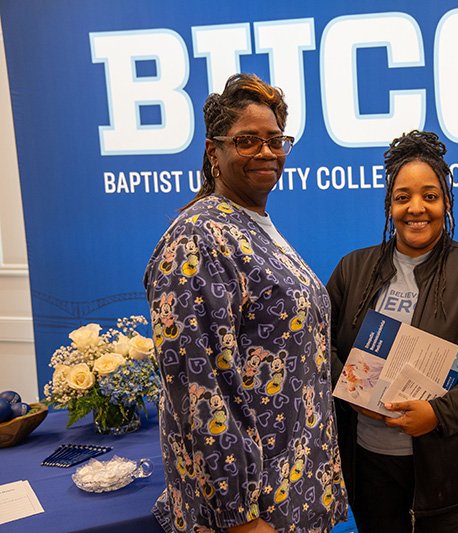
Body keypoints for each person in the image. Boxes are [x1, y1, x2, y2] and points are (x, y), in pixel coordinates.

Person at [144, 73, 347, 533]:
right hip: (250, 511)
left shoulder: (254, 224)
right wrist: (237, 517)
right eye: (248, 140)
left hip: (292, 488)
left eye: (276, 140)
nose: (267, 152)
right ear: (215, 151)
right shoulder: (198, 238)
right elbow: (198, 390)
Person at [327, 130, 458, 533]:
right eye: (403, 197)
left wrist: (439, 413)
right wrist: (349, 391)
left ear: (446, 202)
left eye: (430, 196)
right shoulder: (353, 270)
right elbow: (320, 346)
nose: (416, 208)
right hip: (369, 466)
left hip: (451, 472)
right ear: (389, 206)